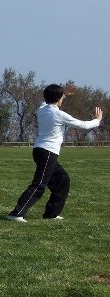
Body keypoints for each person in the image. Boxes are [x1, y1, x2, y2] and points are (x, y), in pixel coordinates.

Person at [7, 84, 103, 223]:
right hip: (48, 152)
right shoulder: (58, 114)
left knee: (63, 180)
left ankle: (51, 214)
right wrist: (98, 120)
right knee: (39, 183)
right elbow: (84, 125)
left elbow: (51, 100)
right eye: (61, 98)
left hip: (40, 150)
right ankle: (16, 213)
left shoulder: (42, 110)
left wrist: (63, 94)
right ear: (58, 99)